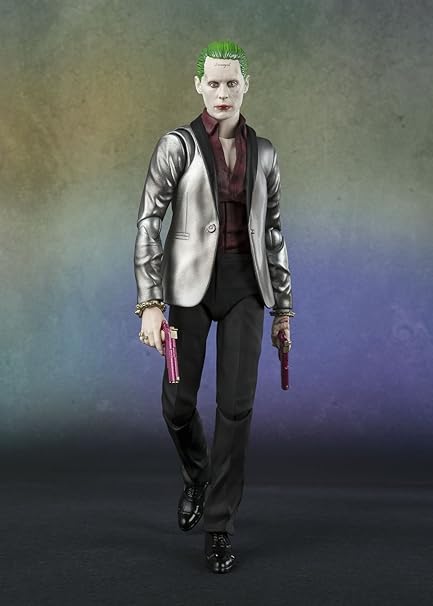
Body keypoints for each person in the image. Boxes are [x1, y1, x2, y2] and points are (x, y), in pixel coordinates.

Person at [133, 40, 294, 574]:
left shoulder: (264, 153)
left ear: (247, 86)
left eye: (232, 83)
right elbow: (148, 221)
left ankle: (220, 526)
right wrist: (150, 302)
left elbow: (274, 232)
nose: (223, 92)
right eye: (214, 83)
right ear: (198, 85)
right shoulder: (176, 145)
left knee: (236, 408)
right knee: (177, 404)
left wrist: (283, 309)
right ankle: (196, 474)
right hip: (187, 290)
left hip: (246, 286)